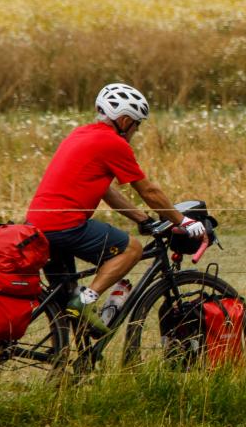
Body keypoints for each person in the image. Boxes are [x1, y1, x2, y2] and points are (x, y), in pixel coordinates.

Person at [25, 82, 204, 332]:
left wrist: (142, 219)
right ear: (124, 119)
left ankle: (71, 360)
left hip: (37, 227)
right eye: (136, 124)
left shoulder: (81, 134)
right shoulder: (113, 143)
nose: (135, 131)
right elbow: (149, 191)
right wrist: (182, 220)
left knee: (66, 303)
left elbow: (106, 191)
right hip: (65, 226)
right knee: (131, 249)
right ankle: (86, 300)